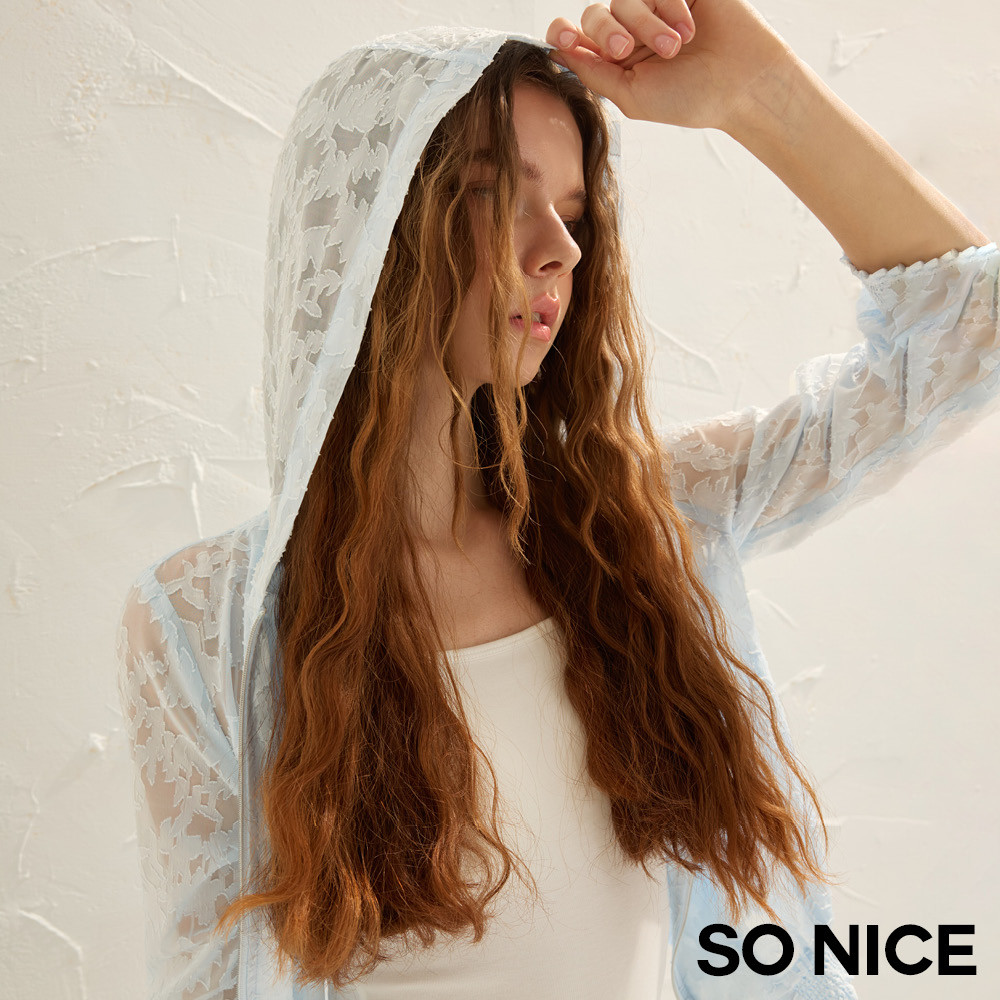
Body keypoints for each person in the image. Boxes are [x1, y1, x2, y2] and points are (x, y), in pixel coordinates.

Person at [114, 6, 998, 1000]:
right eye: (495, 194)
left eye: (574, 211)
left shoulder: (650, 523)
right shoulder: (202, 622)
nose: (560, 250)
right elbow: (212, 985)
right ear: (369, 225)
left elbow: (971, 333)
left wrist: (759, 94)